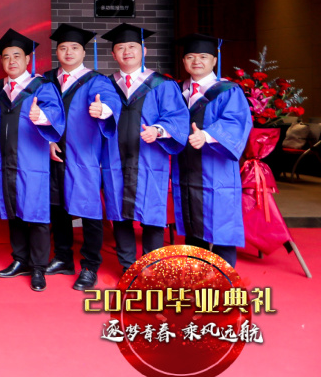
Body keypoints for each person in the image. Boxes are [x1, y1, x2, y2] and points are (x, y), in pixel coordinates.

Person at [0, 29, 65, 292]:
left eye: (17, 56)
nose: (11, 61)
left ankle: (38, 267)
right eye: (6, 57)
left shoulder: (41, 86)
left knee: (36, 213)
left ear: (27, 59)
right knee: (13, 210)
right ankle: (20, 259)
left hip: (32, 161)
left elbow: (54, 112)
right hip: (5, 159)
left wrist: (41, 116)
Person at [102, 23, 189, 273]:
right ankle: (128, 267)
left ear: (144, 50)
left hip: (150, 159)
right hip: (114, 158)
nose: (127, 51)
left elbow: (177, 117)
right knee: (119, 213)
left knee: (152, 214)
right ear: (114, 54)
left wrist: (159, 130)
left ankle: (152, 267)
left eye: (132, 46)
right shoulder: (106, 85)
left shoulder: (162, 84)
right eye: (121, 48)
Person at [44, 24, 122, 291]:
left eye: (74, 48)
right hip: (53, 152)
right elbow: (37, 112)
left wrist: (104, 109)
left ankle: (90, 266)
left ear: (83, 52)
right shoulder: (47, 79)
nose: (68, 52)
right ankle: (63, 258)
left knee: (89, 211)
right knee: (57, 207)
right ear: (57, 51)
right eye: (63, 48)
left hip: (83, 154)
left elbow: (111, 101)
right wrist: (49, 140)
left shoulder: (96, 81)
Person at [171, 33, 252, 267]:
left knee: (221, 224)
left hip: (217, 169)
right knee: (192, 222)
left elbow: (236, 121)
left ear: (214, 60)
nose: (196, 61)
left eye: (203, 56)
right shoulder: (177, 90)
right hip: (186, 167)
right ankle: (195, 274)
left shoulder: (228, 91)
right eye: (190, 56)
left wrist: (206, 135)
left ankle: (223, 277)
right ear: (184, 61)